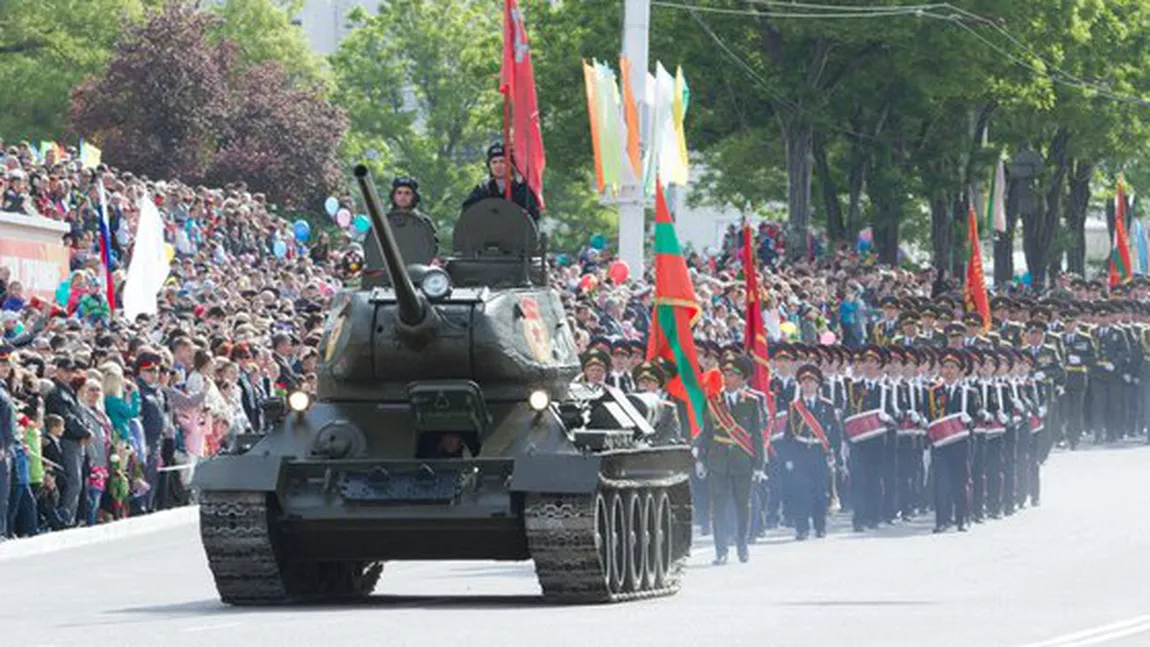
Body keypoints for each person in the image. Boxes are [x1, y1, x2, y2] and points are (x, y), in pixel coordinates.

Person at [699, 354, 763, 565]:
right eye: (726, 373)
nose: (728, 378)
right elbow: (706, 432)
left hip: (742, 460)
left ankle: (742, 543)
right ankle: (721, 550)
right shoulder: (712, 402)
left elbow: (756, 435)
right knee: (718, 505)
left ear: (743, 378)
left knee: (742, 505)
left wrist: (759, 464)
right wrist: (701, 458)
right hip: (718, 460)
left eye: (733, 374)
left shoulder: (752, 402)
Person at [782, 363, 840, 540]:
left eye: (811, 381)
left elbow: (835, 432)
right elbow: (788, 435)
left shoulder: (827, 406)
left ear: (817, 385)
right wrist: (789, 458)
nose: (807, 385)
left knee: (819, 492)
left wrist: (833, 453)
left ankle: (820, 525)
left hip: (819, 452)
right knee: (801, 492)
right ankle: (802, 528)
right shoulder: (794, 407)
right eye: (804, 382)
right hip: (800, 453)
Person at [461, 143, 541, 221]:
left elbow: (533, 216)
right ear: (489, 166)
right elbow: (468, 212)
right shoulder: (483, 191)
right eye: (494, 162)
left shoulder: (522, 191)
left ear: (510, 164)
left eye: (502, 161)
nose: (498, 165)